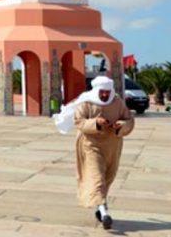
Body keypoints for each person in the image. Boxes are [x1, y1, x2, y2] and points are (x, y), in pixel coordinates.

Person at [53, 75, 134, 229]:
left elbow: (129, 120)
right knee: (96, 178)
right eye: (102, 92)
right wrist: (95, 122)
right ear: (97, 90)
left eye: (107, 92)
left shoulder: (117, 103)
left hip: (112, 147)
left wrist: (121, 125)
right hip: (91, 146)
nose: (104, 95)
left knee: (107, 178)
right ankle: (104, 213)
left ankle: (99, 207)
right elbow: (79, 121)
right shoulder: (86, 103)